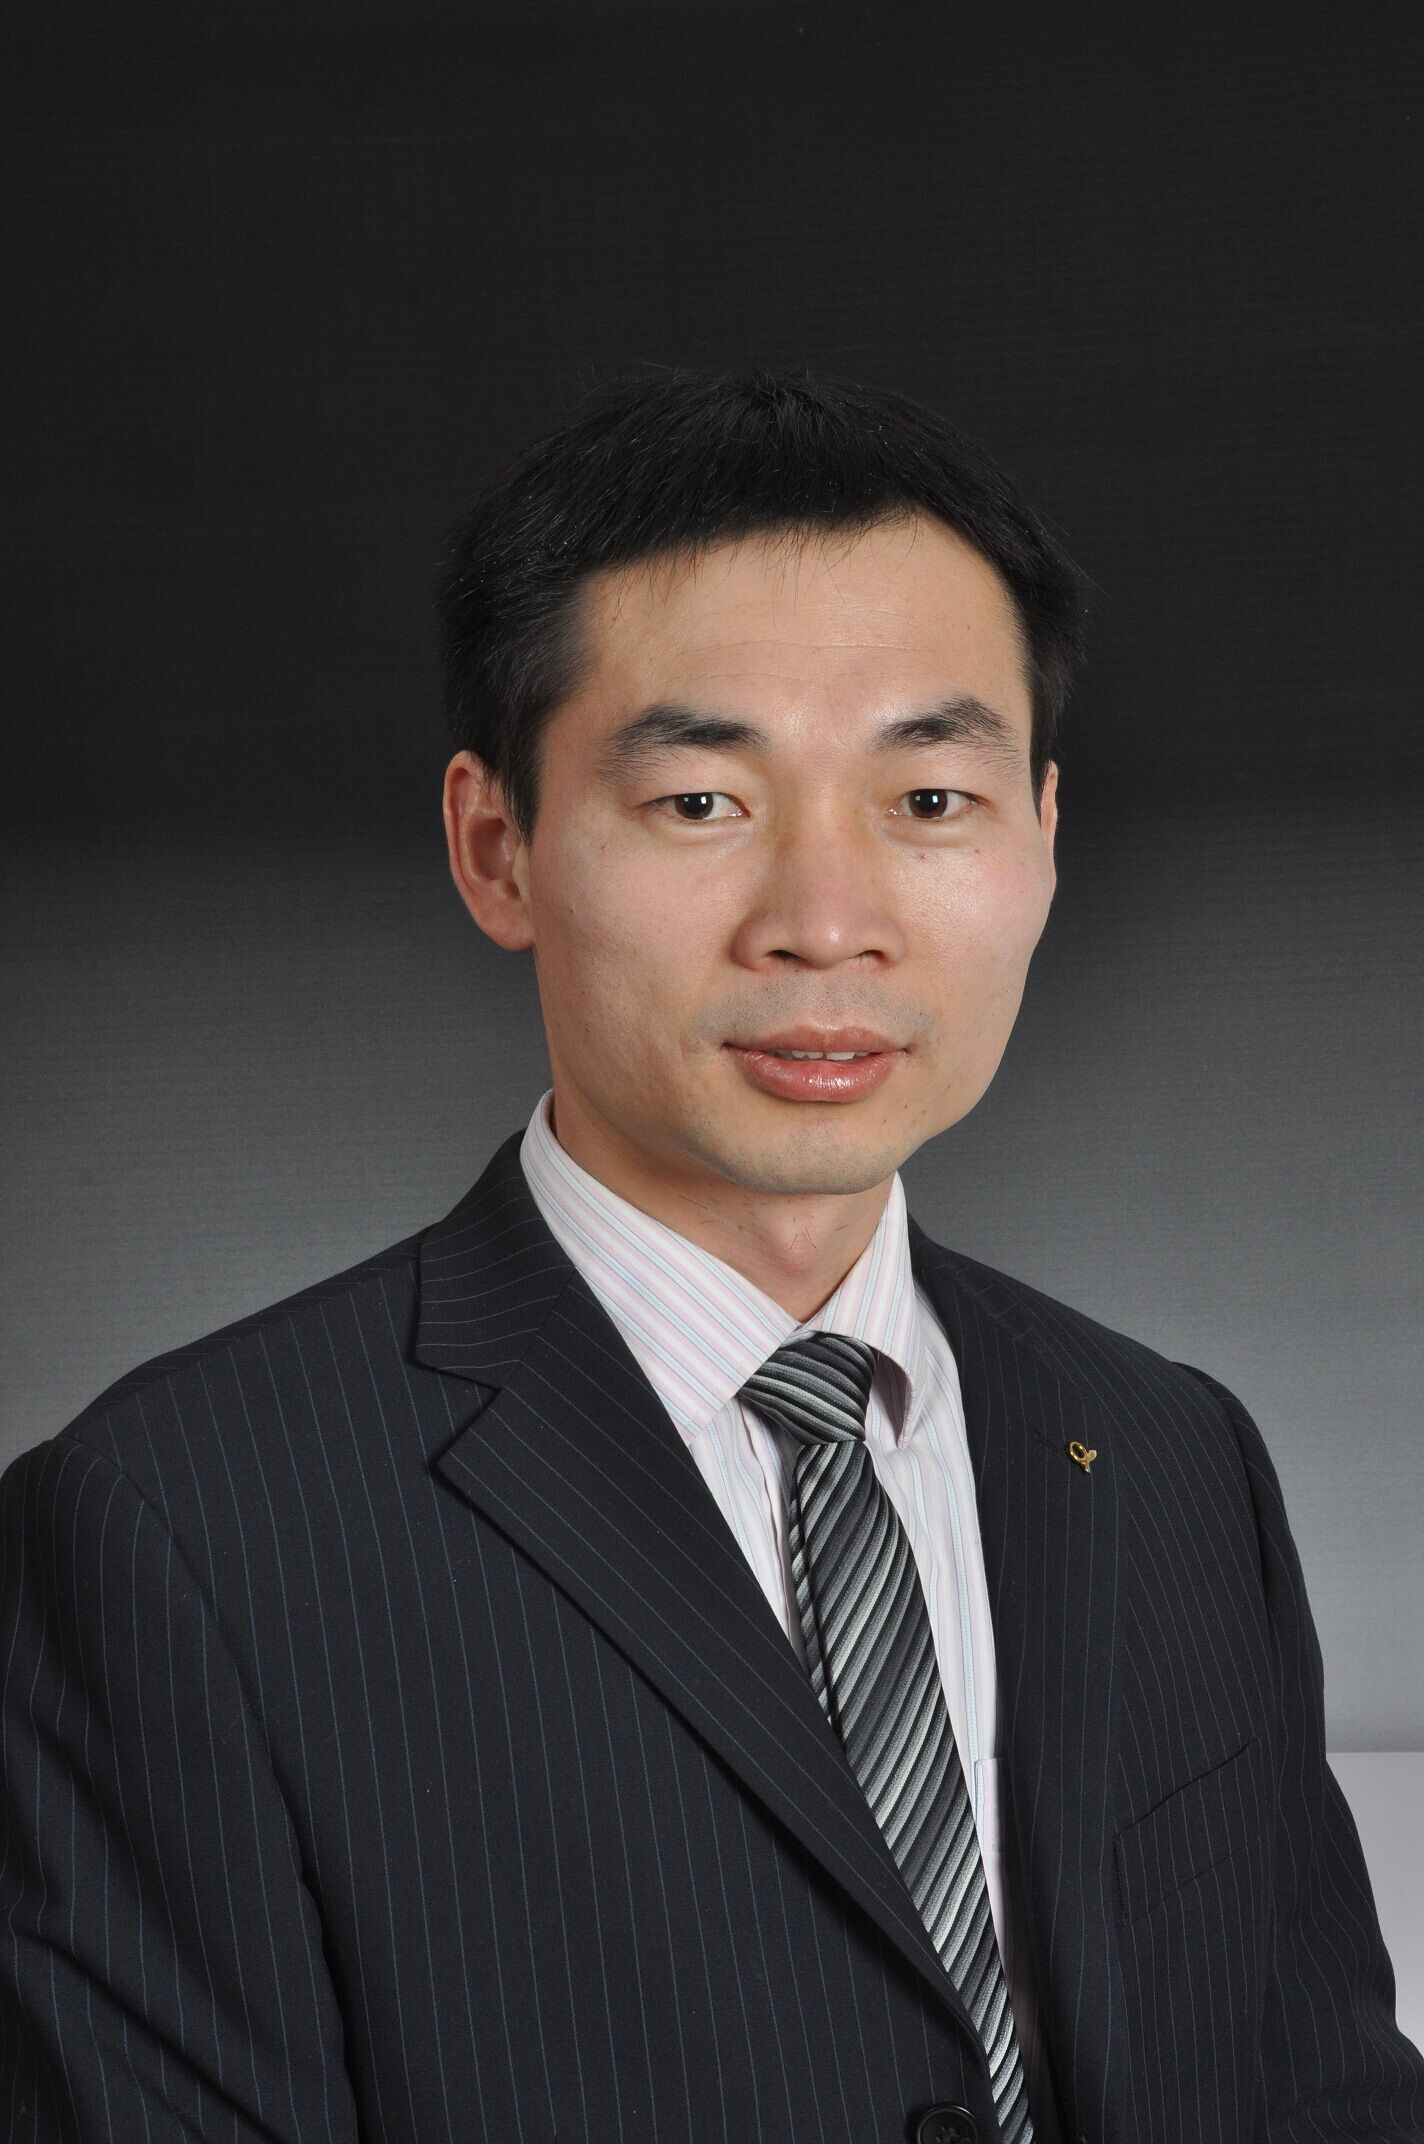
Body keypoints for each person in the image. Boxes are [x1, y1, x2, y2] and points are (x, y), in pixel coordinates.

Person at [2, 369, 1419, 2144]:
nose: (827, 923)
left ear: (1045, 844)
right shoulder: (176, 1535)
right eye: (700, 802)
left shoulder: (1172, 1454)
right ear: (497, 849)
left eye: (929, 799)